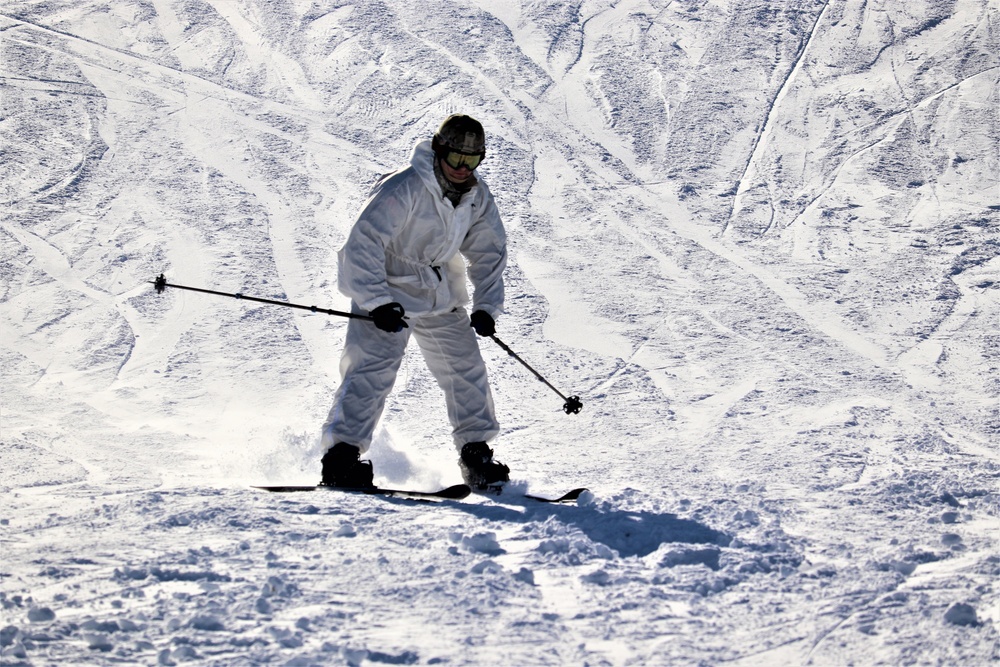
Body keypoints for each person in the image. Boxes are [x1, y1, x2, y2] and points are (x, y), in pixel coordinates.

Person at [319, 114, 510, 490]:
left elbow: (489, 250)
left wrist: (487, 306)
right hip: (386, 291)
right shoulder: (405, 188)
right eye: (456, 159)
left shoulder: (476, 196)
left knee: (465, 368)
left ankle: (476, 455)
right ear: (439, 151)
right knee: (372, 370)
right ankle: (340, 458)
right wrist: (376, 301)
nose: (462, 169)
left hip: (438, 292)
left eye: (471, 162)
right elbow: (364, 243)